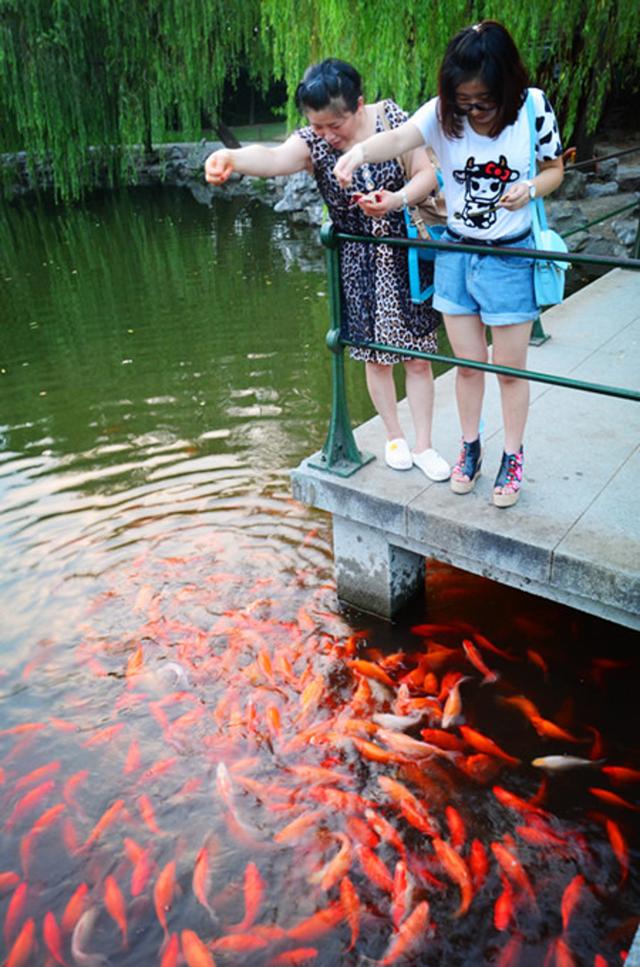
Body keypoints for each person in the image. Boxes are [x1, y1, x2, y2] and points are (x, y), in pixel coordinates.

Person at [334, 22, 564, 507]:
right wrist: (356, 152)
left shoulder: (533, 107)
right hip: (458, 254)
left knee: (510, 371)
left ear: (506, 87)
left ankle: (513, 456)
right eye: (464, 102)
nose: (473, 112)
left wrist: (530, 190)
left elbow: (554, 168)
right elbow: (396, 140)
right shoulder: (444, 114)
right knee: (465, 367)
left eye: (483, 102)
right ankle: (470, 447)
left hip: (510, 255)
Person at [204, 58, 450, 482]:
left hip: (407, 253)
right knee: (375, 359)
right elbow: (274, 157)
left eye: (333, 125)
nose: (326, 135)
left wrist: (394, 201)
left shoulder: (391, 119)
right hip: (357, 260)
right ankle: (394, 437)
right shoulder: (313, 142)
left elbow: (427, 175)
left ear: (358, 105)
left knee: (419, 357)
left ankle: (425, 444)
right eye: (316, 126)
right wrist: (231, 157)